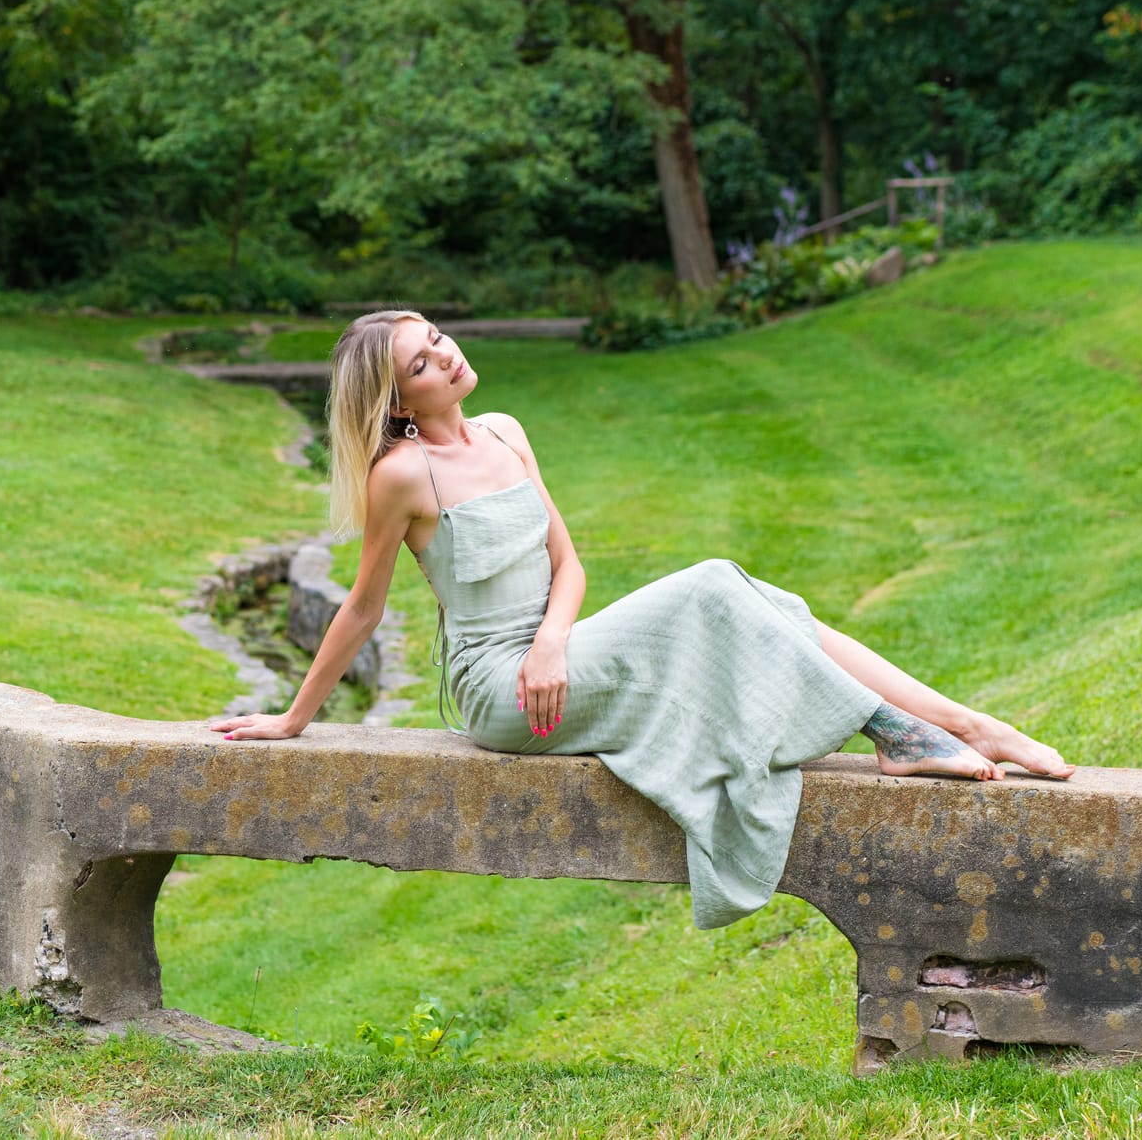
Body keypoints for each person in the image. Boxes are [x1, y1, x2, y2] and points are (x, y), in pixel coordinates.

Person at [210, 310, 1073, 928]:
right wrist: (293, 719)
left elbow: (569, 563)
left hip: (555, 657)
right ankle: (903, 730)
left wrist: (553, 640)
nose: (446, 356)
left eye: (437, 338)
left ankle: (959, 725)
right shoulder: (401, 475)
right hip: (502, 694)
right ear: (399, 400)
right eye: (422, 363)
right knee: (712, 587)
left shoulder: (505, 432)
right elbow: (363, 606)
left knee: (765, 606)